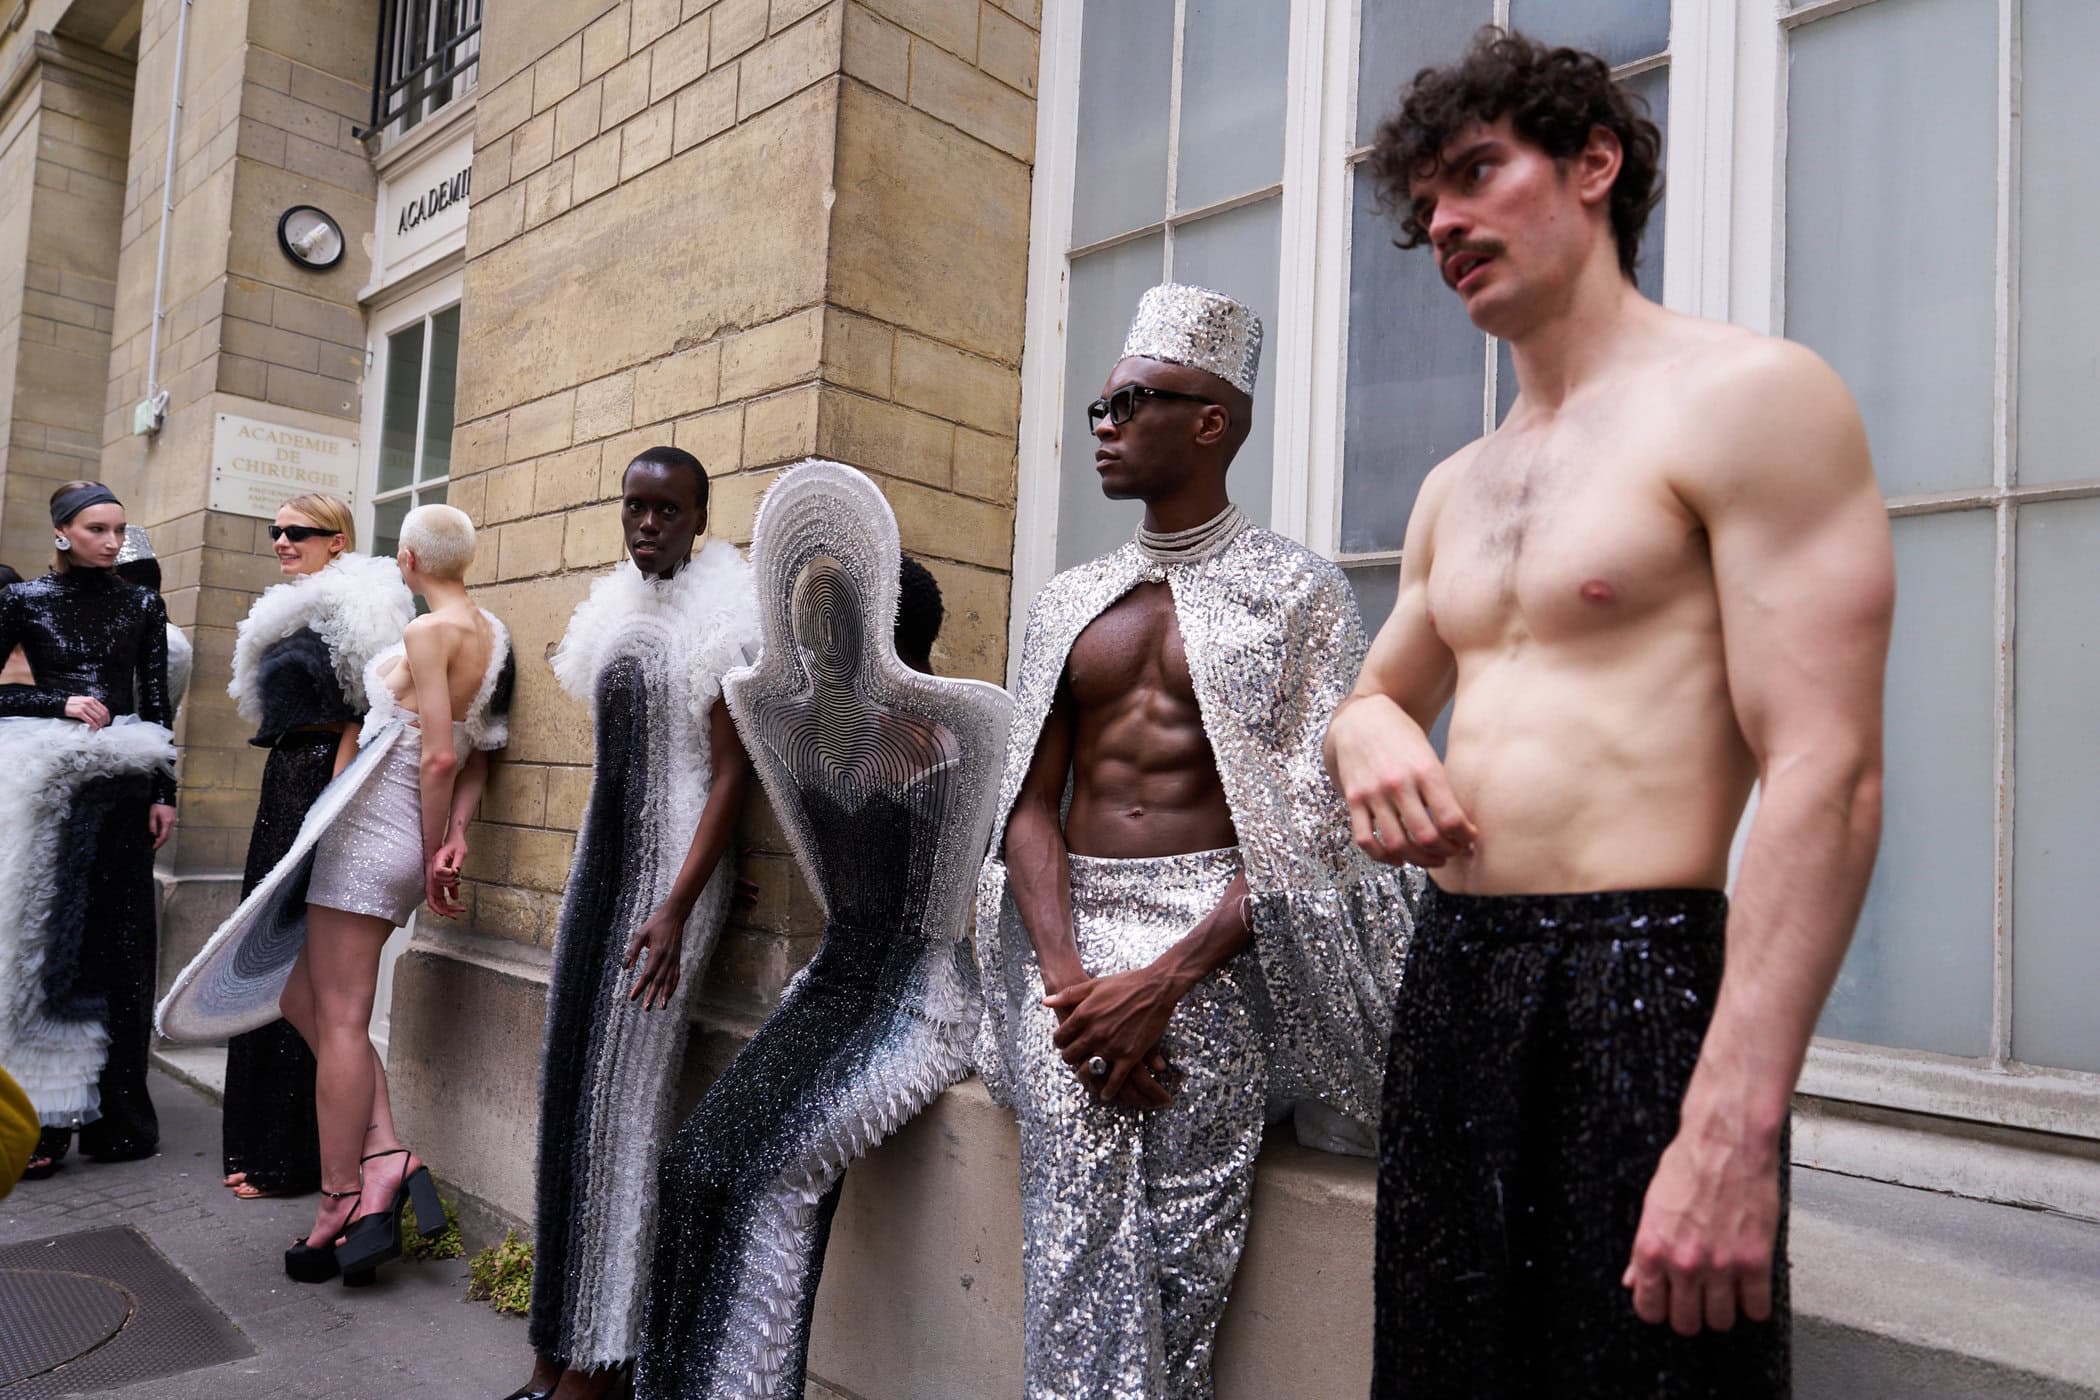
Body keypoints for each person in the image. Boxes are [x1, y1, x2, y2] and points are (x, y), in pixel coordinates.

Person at [1326, 31, 1894, 1396]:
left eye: (1476, 174)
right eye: (1426, 206)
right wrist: (1367, 729)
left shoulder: (1750, 398)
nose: (1444, 225)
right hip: (1456, 982)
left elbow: (1828, 769)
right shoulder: (1457, 486)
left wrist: (1734, 1128)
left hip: (1644, 983)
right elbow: (1380, 691)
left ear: (1595, 165)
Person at [975, 286, 1415, 1399]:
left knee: (1183, 1238)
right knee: (1076, 1179)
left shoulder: (1299, 591)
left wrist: (1163, 979)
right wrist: (1072, 980)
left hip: (1224, 927)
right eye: (1097, 404)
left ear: (1210, 419)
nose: (1102, 425)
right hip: (1073, 930)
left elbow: (1312, 834)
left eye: (1130, 400)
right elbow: (1027, 805)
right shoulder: (1070, 599)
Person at [635, 461, 1013, 1400]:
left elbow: (965, 899)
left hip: (919, 997)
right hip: (836, 977)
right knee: (694, 1165)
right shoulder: (796, 726)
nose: (817, 635)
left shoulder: (959, 737)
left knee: (763, 1178)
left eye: (841, 617)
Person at [159, 503, 515, 1288]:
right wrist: (454, 837)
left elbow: (440, 757)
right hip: (391, 830)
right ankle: (385, 1150)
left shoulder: (427, 634)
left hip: (376, 832)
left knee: (342, 1018)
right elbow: (484, 749)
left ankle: (341, 1197)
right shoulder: (493, 635)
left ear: (412, 558)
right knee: (297, 996)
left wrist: (430, 853)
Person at [510, 448, 761, 1400]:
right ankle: (552, 1344)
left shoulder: (727, 614)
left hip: (669, 888)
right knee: (567, 1106)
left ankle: (601, 1366)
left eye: (667, 509)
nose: (647, 523)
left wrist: (678, 904)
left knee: (622, 1115)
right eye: (634, 507)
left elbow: (733, 777)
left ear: (699, 517)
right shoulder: (614, 608)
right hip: (599, 873)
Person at [219, 494, 413, 1202]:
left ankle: (293, 1158)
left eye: (296, 531)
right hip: (285, 779)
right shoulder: (290, 606)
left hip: (321, 781)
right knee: (267, 952)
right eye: (273, 529)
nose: (280, 540)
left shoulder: (360, 600)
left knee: (307, 965)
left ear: (337, 540)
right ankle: (256, 1144)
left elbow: (376, 709)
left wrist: (336, 798)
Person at [0, 481, 178, 1179]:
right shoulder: (22, 601)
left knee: (127, 947)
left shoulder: (141, 603)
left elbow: (158, 702)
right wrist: (58, 701)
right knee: (58, 948)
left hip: (125, 789)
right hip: (55, 790)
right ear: (62, 534)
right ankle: (43, 1124)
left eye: (119, 529)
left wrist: (166, 794)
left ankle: (122, 1120)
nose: (112, 541)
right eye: (98, 529)